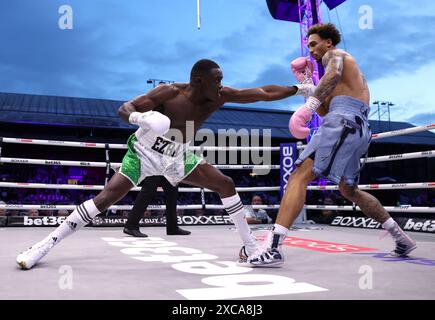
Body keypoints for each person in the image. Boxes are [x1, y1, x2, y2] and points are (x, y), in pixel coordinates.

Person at [16, 59, 312, 269]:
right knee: (105, 198)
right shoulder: (169, 93)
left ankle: (250, 247)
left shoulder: (219, 97)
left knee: (225, 183)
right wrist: (140, 118)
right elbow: (125, 108)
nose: (221, 85)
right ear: (198, 80)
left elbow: (262, 93)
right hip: (143, 153)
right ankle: (45, 245)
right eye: (216, 80)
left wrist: (300, 90)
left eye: (221, 79)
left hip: (178, 156)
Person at [244, 23, 417, 267]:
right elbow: (326, 109)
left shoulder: (334, 56)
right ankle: (401, 238)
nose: (311, 50)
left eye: (314, 44)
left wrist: (308, 107)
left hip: (343, 122)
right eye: (309, 46)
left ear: (328, 42)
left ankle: (273, 248)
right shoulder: (342, 73)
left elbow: (332, 79)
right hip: (356, 127)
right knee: (349, 190)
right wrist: (307, 85)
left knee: (298, 177)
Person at [123, 175, 191, 237]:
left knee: (172, 192)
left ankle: (173, 228)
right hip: (155, 164)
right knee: (148, 191)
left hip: (168, 166)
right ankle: (131, 225)